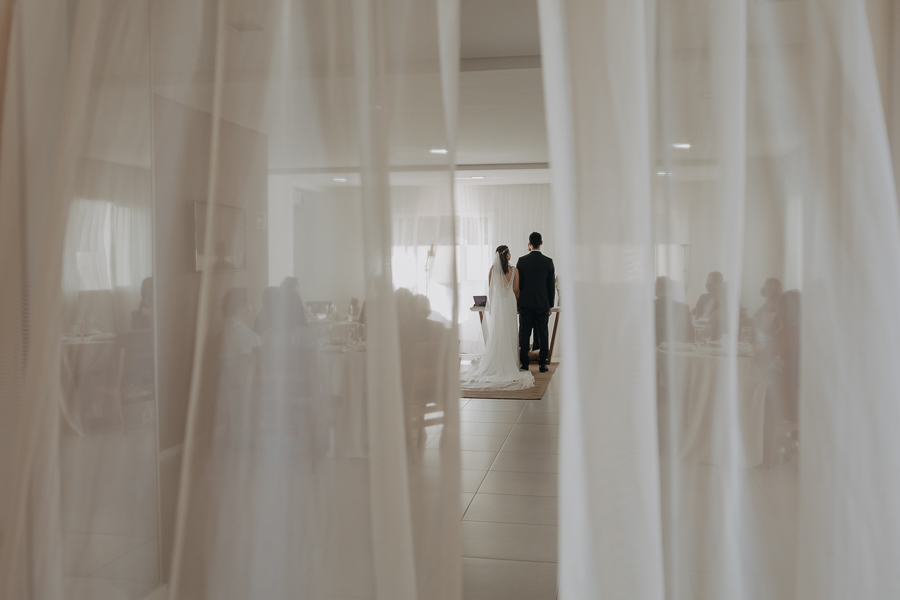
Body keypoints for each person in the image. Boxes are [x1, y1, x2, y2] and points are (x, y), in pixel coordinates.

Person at [460, 245, 535, 390]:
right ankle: (511, 363)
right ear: (507, 255)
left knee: (499, 332)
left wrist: (493, 306)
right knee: (510, 331)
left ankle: (497, 362)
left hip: (499, 304)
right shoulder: (514, 270)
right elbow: (516, 290)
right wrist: (518, 305)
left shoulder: (492, 270)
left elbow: (491, 289)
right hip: (509, 303)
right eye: (510, 253)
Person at [754, 289, 801, 466]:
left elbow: (762, 358)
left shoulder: (786, 332)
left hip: (790, 398)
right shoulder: (810, 331)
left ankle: (763, 449)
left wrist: (758, 345)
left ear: (783, 311)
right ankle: (788, 440)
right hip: (809, 396)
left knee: (757, 393)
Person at [516, 232, 556, 373]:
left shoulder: (521, 261)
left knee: (524, 333)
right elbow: (551, 286)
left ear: (529, 243)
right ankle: (542, 364)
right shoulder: (548, 261)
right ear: (541, 243)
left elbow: (518, 285)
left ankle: (525, 364)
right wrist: (550, 305)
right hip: (542, 303)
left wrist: (518, 304)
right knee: (543, 333)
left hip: (525, 304)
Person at [654, 276, 693, 344]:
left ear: (656, 289)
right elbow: (690, 337)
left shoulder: (648, 307)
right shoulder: (683, 308)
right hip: (678, 351)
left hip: (654, 351)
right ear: (670, 289)